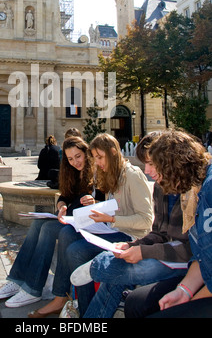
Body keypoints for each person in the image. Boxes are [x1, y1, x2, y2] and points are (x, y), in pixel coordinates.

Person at [71, 130, 193, 318]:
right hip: (159, 248)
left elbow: (149, 223)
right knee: (116, 268)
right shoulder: (161, 188)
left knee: (120, 267)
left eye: (151, 164)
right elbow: (158, 232)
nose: (147, 171)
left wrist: (141, 249)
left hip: (181, 261)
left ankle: (96, 269)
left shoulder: (192, 192)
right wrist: (133, 246)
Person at [31, 133, 153, 318]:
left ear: (112, 152)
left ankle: (87, 309)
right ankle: (73, 301)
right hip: (112, 229)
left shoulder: (132, 175)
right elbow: (113, 207)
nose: (96, 162)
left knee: (76, 251)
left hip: (130, 236)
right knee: (67, 234)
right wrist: (97, 208)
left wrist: (111, 219)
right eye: (94, 158)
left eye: (99, 157)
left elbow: (146, 221)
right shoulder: (112, 174)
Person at [0, 136, 95, 310]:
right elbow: (65, 196)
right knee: (38, 223)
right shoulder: (73, 171)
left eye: (78, 156)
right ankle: (17, 279)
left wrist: (93, 201)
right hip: (72, 218)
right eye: (70, 159)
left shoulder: (95, 172)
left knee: (47, 229)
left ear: (86, 153)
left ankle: (33, 288)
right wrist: (61, 204)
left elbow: (103, 201)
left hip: (88, 223)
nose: (75, 162)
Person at [124, 130, 212, 318]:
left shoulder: (208, 189)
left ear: (175, 164)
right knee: (134, 303)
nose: (147, 171)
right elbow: (203, 258)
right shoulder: (191, 193)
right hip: (201, 277)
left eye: (153, 164)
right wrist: (184, 291)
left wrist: (193, 298)